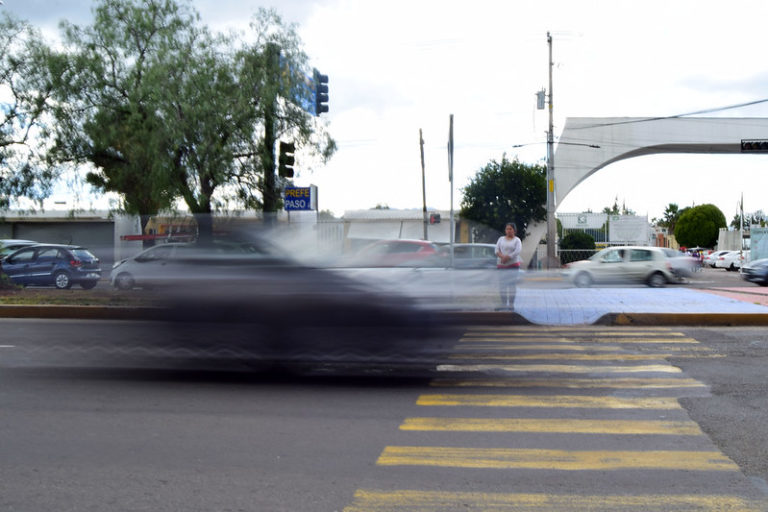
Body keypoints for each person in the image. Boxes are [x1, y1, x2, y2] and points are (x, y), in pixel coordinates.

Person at [495, 222, 522, 309]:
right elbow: (496, 250)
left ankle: (511, 305)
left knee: (511, 285)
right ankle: (503, 304)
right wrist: (502, 257)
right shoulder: (501, 239)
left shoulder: (517, 240)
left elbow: (517, 251)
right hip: (501, 265)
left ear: (514, 230)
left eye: (510, 229)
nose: (508, 230)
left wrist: (508, 257)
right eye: (507, 229)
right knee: (502, 286)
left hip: (513, 265)